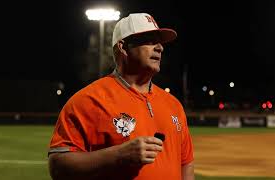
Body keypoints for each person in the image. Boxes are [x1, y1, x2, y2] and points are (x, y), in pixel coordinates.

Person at [48, 12, 195, 180]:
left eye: (160, 42)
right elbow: (58, 166)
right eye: (149, 40)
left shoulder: (173, 104)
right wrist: (119, 155)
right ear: (123, 47)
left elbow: (186, 162)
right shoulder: (88, 100)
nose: (160, 47)